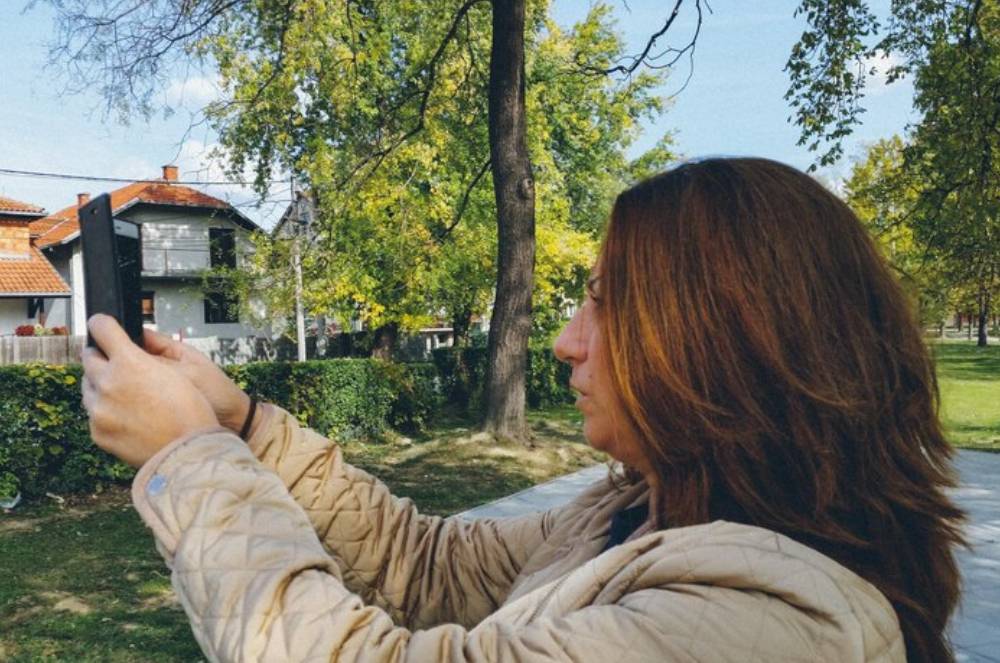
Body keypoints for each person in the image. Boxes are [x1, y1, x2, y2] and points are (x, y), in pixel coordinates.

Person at [81, 157, 965, 662]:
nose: (566, 342)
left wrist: (193, 459)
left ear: (725, 343)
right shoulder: (637, 511)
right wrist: (242, 426)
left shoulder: (763, 622)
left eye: (610, 303)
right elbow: (425, 566)